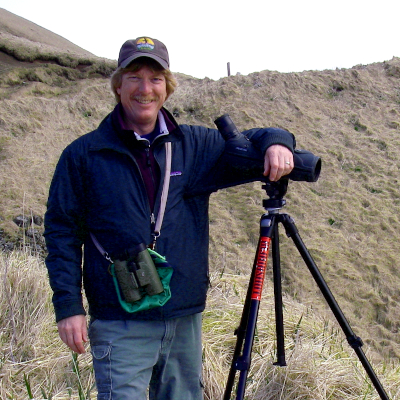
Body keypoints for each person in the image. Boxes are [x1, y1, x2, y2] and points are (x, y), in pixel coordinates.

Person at [44, 36, 295, 400]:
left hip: (183, 321)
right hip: (119, 321)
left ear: (167, 87)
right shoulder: (84, 155)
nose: (145, 89)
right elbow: (62, 233)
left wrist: (278, 142)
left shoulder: (193, 147)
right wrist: (68, 306)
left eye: (156, 78)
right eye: (134, 77)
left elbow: (252, 141)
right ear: (118, 85)